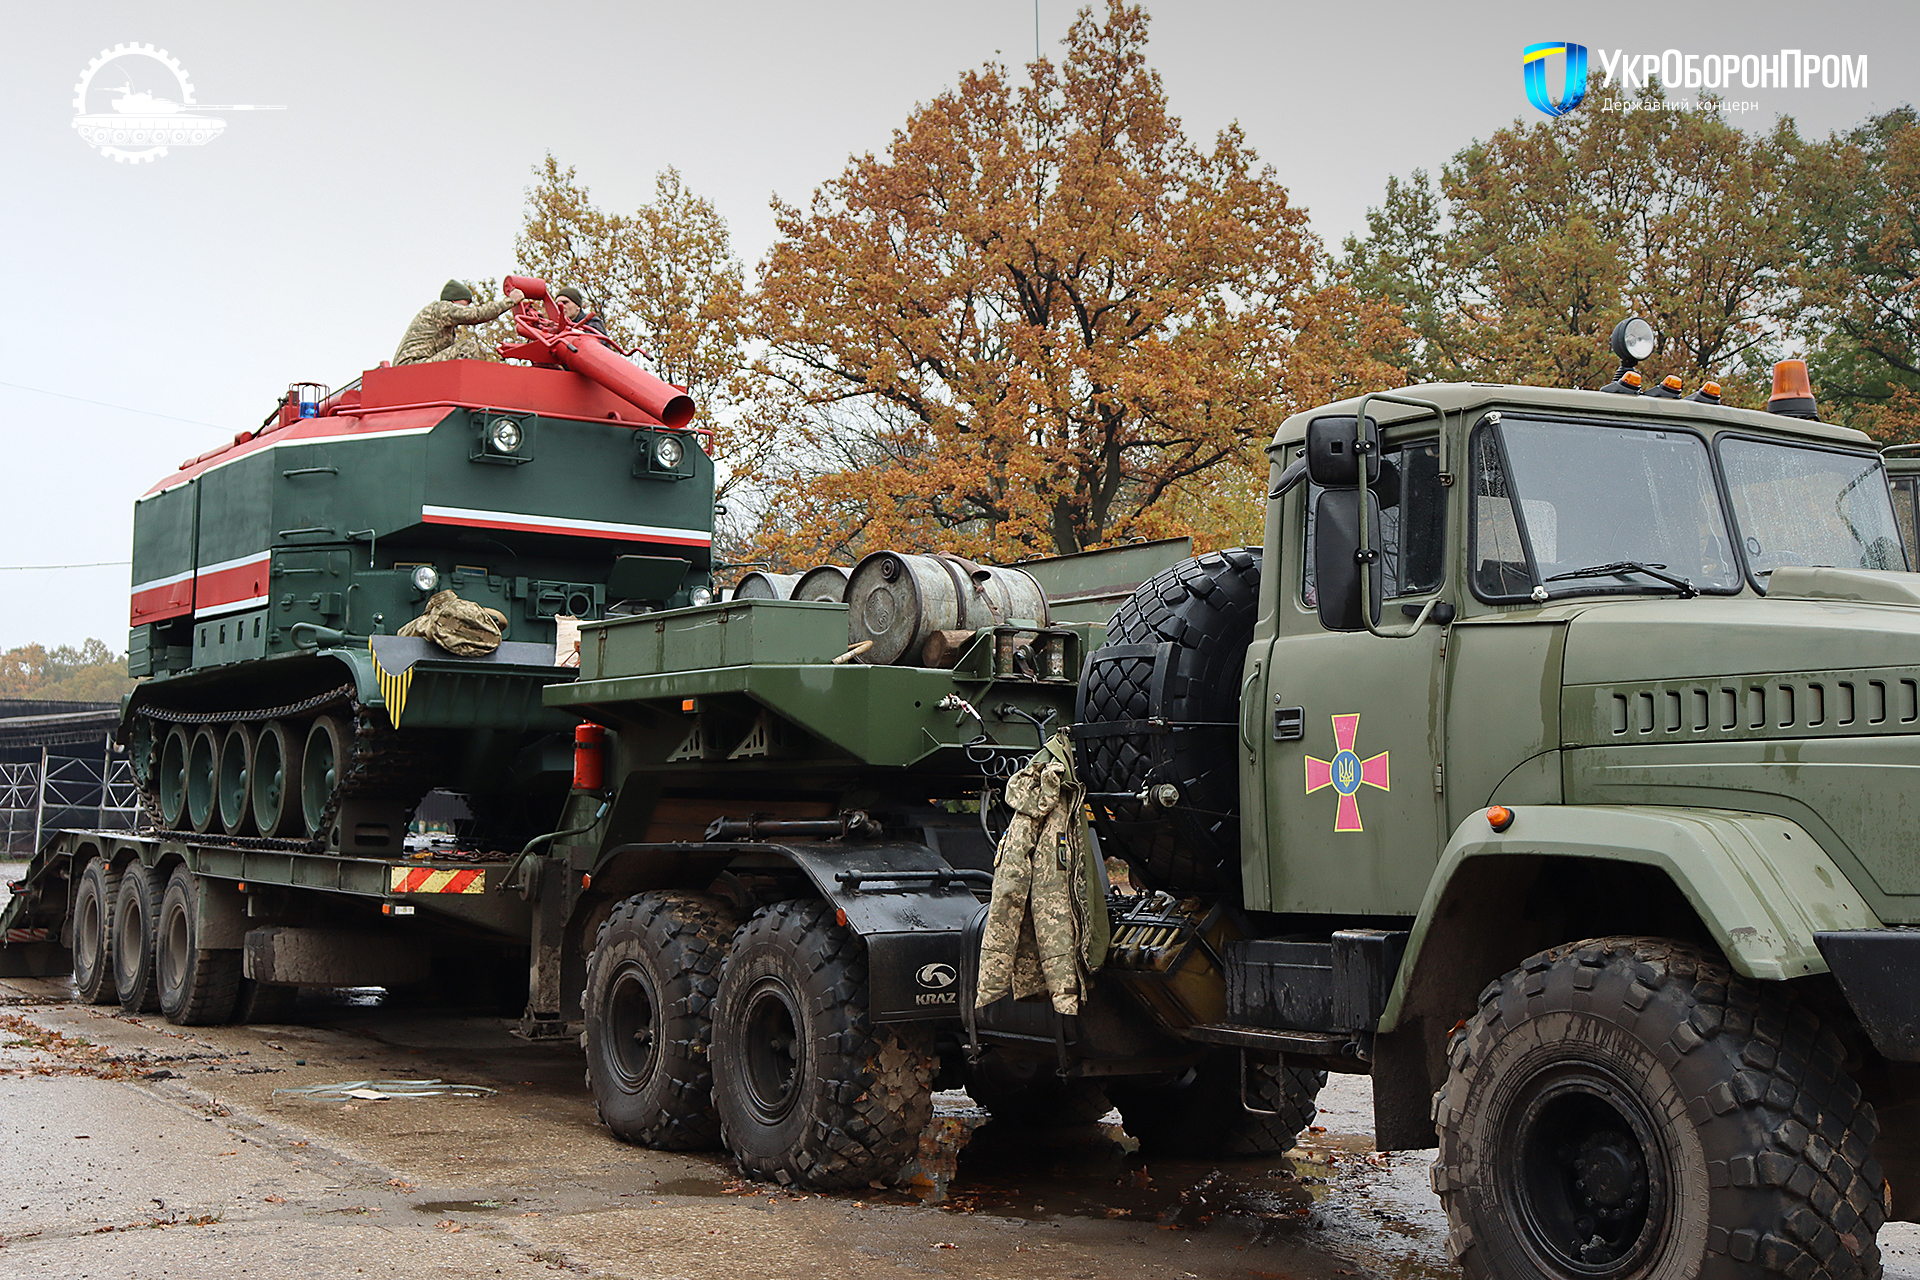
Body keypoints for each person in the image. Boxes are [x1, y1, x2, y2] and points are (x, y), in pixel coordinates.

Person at [392, 280, 524, 365]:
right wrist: (510, 301)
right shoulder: (442, 308)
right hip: (412, 366)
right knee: (467, 347)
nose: (463, 311)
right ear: (453, 302)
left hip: (416, 365)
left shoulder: (442, 322)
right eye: (461, 307)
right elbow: (476, 315)